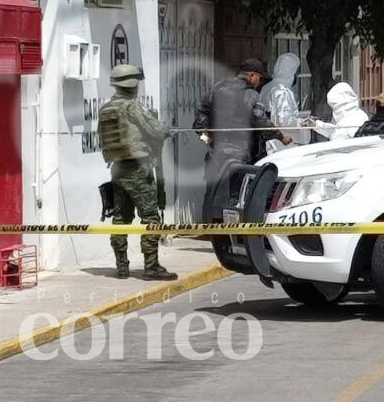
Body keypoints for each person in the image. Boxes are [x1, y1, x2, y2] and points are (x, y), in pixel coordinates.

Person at [98, 65, 177, 280]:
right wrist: (167, 129)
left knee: (120, 218)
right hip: (138, 170)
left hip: (117, 169)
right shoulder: (132, 107)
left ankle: (121, 266)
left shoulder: (105, 109)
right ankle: (151, 267)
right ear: (132, 84)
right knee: (151, 218)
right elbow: (156, 130)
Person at [194, 59, 289, 206]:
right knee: (236, 196)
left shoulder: (218, 88)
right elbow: (260, 121)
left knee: (212, 194)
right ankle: (234, 228)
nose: (260, 82)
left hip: (215, 154)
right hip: (239, 155)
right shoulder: (250, 94)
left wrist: (204, 134)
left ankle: (209, 227)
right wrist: (281, 136)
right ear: (252, 76)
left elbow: (201, 110)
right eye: (260, 77)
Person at [259, 53, 304, 150]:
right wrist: (302, 122)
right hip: (283, 143)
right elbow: (285, 121)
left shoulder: (266, 88)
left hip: (269, 139)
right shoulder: (283, 92)